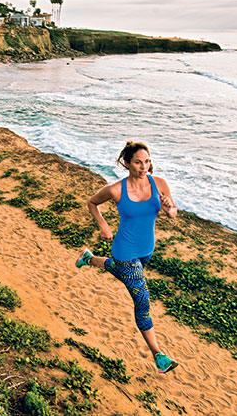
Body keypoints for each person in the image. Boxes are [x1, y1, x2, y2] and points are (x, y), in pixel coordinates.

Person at [75, 140, 179, 374]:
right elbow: (92, 202)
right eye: (138, 162)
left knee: (124, 272)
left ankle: (89, 258)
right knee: (142, 300)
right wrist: (104, 226)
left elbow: (173, 213)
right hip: (124, 250)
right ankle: (159, 356)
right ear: (127, 163)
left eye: (147, 161)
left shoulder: (159, 183)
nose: (144, 167)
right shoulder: (116, 190)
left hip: (146, 251)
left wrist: (169, 207)